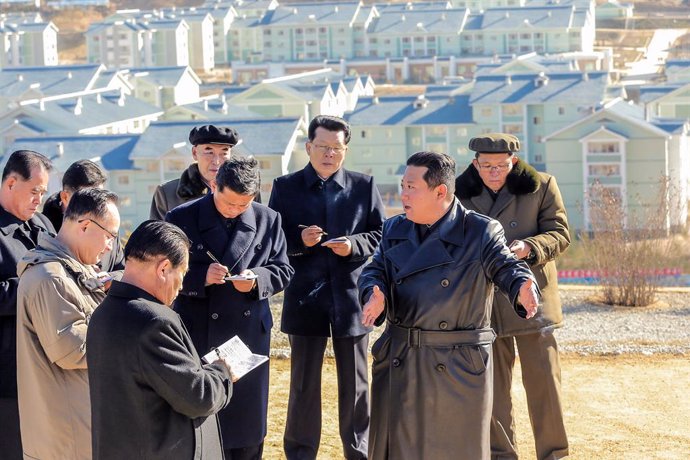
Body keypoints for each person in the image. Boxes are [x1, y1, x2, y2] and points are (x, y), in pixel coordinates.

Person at [359, 151, 540, 460]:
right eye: (402, 185)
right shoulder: (394, 229)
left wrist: (523, 287)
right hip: (402, 359)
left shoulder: (481, 231)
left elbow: (506, 266)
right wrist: (374, 292)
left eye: (411, 187)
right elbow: (375, 269)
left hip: (456, 365)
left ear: (440, 191)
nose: (402, 194)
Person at [268, 115, 385, 460]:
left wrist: (353, 246)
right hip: (304, 298)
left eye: (337, 148)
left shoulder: (364, 186)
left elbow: (380, 236)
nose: (329, 154)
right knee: (303, 384)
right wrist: (299, 242)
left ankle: (359, 450)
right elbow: (272, 242)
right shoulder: (285, 187)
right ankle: (301, 452)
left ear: (345, 150)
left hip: (352, 296)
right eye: (323, 147)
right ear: (309, 147)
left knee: (357, 383)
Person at [166, 156, 293, 459]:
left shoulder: (268, 218)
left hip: (247, 337)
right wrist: (199, 277)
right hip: (198, 332)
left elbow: (283, 270)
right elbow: (161, 270)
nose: (236, 210)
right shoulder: (180, 217)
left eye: (243, 205)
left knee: (246, 426)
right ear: (213, 186)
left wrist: (257, 279)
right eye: (229, 203)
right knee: (200, 418)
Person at [455, 133, 570, 460]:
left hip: (534, 302)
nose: (493, 172)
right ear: (475, 163)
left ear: (514, 162)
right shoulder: (459, 194)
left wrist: (530, 247)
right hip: (485, 304)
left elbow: (561, 234)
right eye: (487, 166)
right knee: (493, 391)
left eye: (501, 166)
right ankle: (501, 455)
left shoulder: (543, 185)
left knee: (545, 387)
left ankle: (555, 454)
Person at [87, 220, 233, 460]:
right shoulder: (154, 322)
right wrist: (222, 372)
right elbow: (198, 397)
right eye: (182, 273)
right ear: (164, 268)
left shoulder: (104, 313)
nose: (182, 285)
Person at [16, 188, 119, 459]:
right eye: (109, 236)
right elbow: (72, 350)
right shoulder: (51, 276)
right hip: (68, 437)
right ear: (85, 225)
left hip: (79, 427)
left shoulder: (70, 269)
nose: (110, 246)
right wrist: (126, 329)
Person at [0, 150, 53, 459]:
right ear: (10, 183)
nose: (38, 199)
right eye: (34, 191)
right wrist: (35, 285)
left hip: (46, 363)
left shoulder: (42, 223)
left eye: (43, 193)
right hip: (8, 374)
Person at [150, 124, 259, 220]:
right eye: (209, 152)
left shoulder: (247, 189)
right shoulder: (167, 193)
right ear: (194, 153)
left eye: (223, 153)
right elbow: (156, 239)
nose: (216, 161)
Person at [42, 159, 125, 277]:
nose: (96, 205)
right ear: (65, 197)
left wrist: (109, 280)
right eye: (86, 198)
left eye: (99, 197)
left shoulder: (106, 227)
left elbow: (123, 271)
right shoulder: (42, 231)